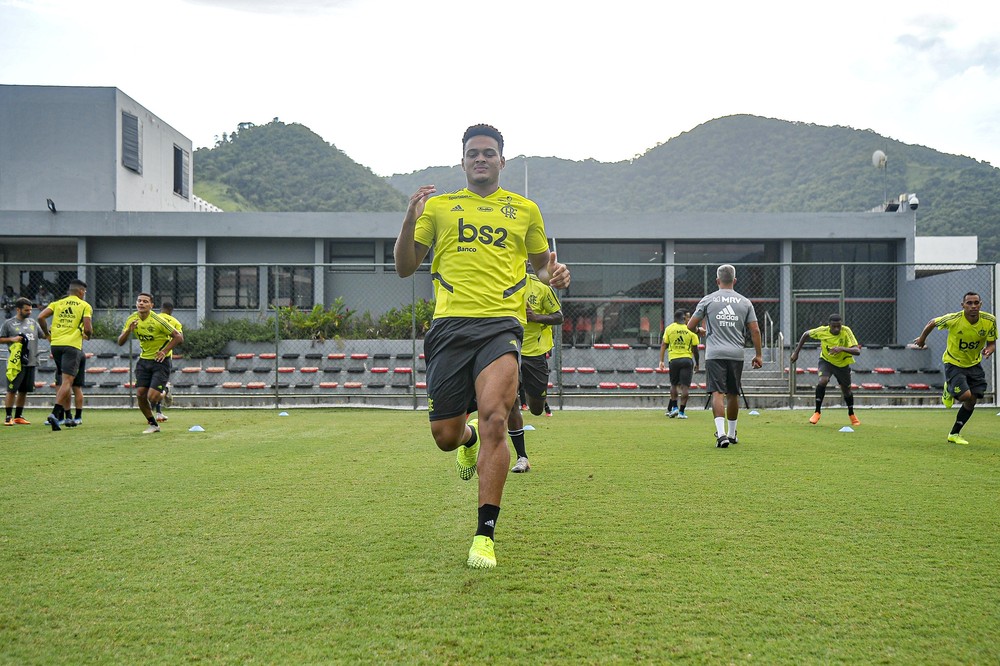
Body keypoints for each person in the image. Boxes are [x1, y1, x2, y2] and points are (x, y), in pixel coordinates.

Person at [394, 123, 570, 569]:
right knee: (446, 436)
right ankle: (466, 440)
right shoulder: (440, 207)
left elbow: (541, 272)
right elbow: (403, 267)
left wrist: (556, 276)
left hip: (501, 327)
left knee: (495, 417)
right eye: (473, 152)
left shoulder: (525, 210)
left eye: (489, 153)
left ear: (501, 161)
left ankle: (484, 536)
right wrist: (409, 219)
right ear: (463, 160)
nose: (481, 159)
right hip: (450, 328)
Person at [687, 264, 762, 448]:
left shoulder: (708, 300)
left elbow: (690, 326)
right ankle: (732, 433)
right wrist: (758, 355)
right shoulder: (745, 302)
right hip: (736, 354)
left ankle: (721, 435)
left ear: (717, 281)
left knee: (717, 392)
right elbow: (755, 330)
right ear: (735, 281)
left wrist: (700, 330)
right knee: (733, 393)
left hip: (714, 354)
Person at [912, 292, 997, 445]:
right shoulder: (954, 319)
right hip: (953, 362)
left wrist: (989, 350)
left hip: (974, 363)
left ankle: (954, 434)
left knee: (972, 400)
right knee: (965, 396)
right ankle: (949, 388)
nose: (973, 306)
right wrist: (922, 339)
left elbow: (991, 343)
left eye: (976, 303)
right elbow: (932, 322)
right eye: (969, 303)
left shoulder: (989, 321)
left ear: (980, 304)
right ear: (963, 305)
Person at [507, 262, 564, 473]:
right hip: (507, 349)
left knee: (536, 408)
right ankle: (522, 457)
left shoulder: (541, 287)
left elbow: (559, 316)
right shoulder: (498, 284)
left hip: (534, 353)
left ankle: (536, 400)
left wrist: (537, 317)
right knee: (511, 402)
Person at [117, 293, 184, 434]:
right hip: (144, 361)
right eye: (139, 301)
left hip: (160, 362)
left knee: (152, 397)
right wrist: (128, 331)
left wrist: (164, 351)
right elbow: (120, 342)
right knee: (140, 394)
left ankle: (165, 391)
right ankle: (153, 424)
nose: (141, 303)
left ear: (151, 305)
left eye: (145, 301)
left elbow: (179, 337)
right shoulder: (132, 319)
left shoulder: (158, 320)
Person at [36, 279, 92, 431]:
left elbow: (40, 317)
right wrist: (89, 334)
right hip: (71, 346)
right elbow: (87, 329)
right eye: (84, 292)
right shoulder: (84, 305)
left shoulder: (57, 303)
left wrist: (47, 334)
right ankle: (55, 413)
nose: (84, 294)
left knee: (62, 381)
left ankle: (66, 416)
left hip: (56, 345)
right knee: (68, 381)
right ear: (81, 291)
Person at [790, 314, 862, 426]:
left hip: (842, 364)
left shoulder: (846, 331)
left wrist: (841, 349)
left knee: (846, 390)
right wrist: (796, 352)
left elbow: (857, 351)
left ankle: (851, 414)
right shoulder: (822, 331)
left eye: (839, 326)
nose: (837, 329)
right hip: (826, 361)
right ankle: (817, 412)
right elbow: (805, 334)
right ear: (829, 325)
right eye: (834, 326)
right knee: (822, 381)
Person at [2, 298, 46, 425]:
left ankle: (18, 416)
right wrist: (13, 339)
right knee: (12, 389)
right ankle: (8, 417)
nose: (29, 312)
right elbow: (1, 339)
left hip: (31, 361)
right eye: (26, 310)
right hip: (16, 363)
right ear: (18, 309)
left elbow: (44, 335)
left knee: (24, 390)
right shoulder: (8, 324)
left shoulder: (33, 322)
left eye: (31, 310)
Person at [659, 308, 700, 419]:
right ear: (683, 317)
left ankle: (674, 408)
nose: (690, 318)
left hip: (674, 360)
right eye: (688, 316)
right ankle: (681, 412)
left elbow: (664, 344)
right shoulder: (691, 330)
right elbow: (695, 349)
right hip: (687, 360)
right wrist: (697, 363)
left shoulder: (669, 329)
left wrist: (661, 361)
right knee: (685, 387)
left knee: (673, 385)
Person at [150, 300, 179, 421]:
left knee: (154, 389)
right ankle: (159, 411)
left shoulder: (153, 318)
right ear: (171, 311)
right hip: (165, 358)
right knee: (156, 388)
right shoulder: (175, 322)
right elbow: (179, 338)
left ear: (160, 308)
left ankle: (158, 412)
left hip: (148, 356)